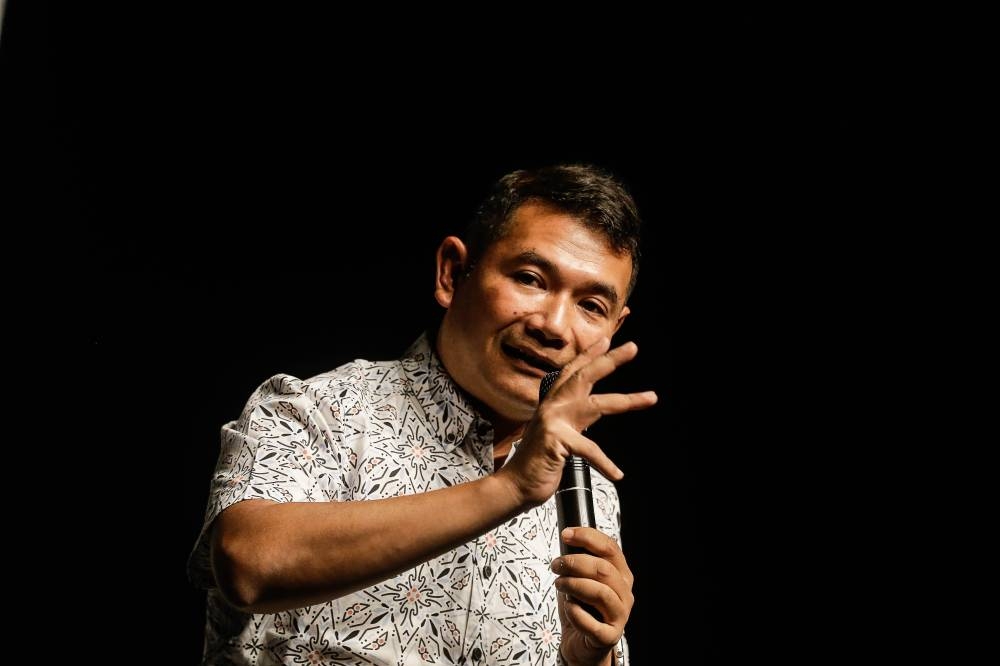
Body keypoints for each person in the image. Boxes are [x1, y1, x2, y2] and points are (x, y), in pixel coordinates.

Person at [187, 163, 658, 665]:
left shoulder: (592, 495)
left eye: (591, 306)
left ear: (615, 327)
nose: (555, 327)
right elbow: (248, 565)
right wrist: (511, 488)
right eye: (530, 278)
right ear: (452, 273)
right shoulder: (318, 408)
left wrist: (591, 658)